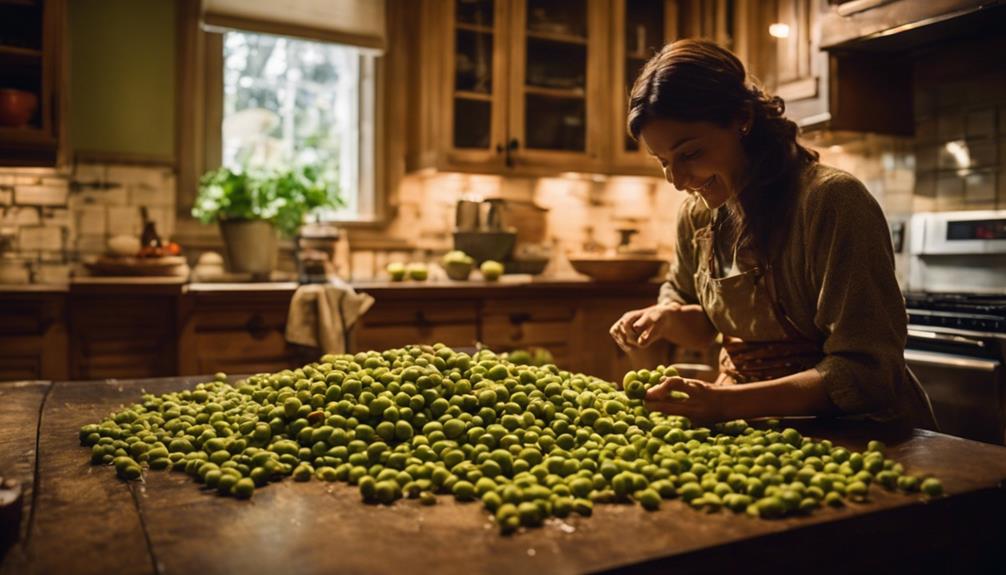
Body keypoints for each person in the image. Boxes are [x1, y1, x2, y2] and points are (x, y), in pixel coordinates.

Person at [609, 39, 934, 428]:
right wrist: (666, 317)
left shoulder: (830, 202)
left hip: (861, 433)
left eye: (690, 154)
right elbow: (702, 326)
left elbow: (868, 373)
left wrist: (728, 403)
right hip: (756, 428)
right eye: (663, 162)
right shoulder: (697, 215)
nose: (676, 181)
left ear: (742, 119)